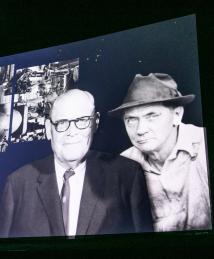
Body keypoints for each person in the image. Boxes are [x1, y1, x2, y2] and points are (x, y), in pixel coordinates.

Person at [0, 89, 153, 238]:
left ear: (95, 123)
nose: (71, 132)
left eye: (82, 121)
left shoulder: (127, 175)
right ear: (48, 129)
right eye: (61, 122)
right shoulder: (18, 183)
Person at [109, 73, 212, 232]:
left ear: (177, 115)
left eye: (151, 116)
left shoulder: (205, 145)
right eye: (131, 120)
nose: (140, 130)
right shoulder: (123, 166)